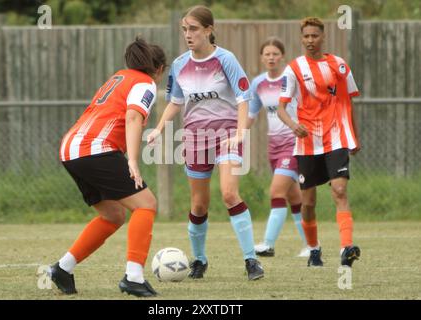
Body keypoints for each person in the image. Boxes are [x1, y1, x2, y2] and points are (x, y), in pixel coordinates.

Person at [147, 5, 264, 280]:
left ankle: (251, 261)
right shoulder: (179, 64)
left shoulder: (226, 59)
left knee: (229, 194)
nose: (188, 34)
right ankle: (199, 260)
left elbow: (243, 97)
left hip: (226, 135)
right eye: (185, 29)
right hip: (195, 137)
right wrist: (159, 128)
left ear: (209, 30)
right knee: (199, 205)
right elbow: (175, 101)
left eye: (194, 29)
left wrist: (239, 133)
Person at [48, 37, 167, 297]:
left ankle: (62, 269)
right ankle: (133, 278)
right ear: (159, 70)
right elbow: (133, 116)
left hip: (71, 148)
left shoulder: (120, 77)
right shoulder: (145, 83)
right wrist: (133, 160)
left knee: (113, 215)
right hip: (94, 148)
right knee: (146, 205)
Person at [277, 17, 361, 267]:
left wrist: (353, 135)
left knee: (339, 190)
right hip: (307, 141)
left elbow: (348, 101)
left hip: (336, 137)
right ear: (301, 39)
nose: (310, 40)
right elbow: (281, 108)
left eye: (315, 36)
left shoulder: (339, 66)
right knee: (308, 203)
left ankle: (346, 248)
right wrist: (294, 126)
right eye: (306, 37)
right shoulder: (293, 69)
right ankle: (314, 248)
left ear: (323, 37)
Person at [247, 37, 309, 258]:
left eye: (275, 53)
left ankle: (268, 244)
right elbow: (251, 115)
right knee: (294, 199)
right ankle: (312, 245)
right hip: (273, 147)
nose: (271, 57)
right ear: (262, 58)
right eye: (267, 54)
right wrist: (236, 135)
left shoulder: (291, 79)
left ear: (282, 56)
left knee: (276, 191)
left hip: (293, 145)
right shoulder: (258, 84)